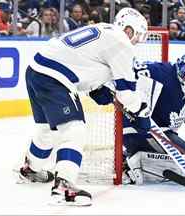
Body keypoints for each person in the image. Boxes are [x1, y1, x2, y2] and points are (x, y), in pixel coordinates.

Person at [17, 7, 148, 206]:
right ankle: (64, 187)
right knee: (75, 129)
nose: (136, 42)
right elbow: (127, 95)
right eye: (137, 36)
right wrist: (141, 108)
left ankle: (31, 169)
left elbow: (83, 63)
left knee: (48, 130)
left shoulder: (105, 31)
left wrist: (98, 89)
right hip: (55, 77)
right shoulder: (122, 43)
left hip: (36, 71)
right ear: (129, 30)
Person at [90, 51, 185, 185]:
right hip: (136, 127)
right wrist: (105, 87)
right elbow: (129, 72)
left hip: (162, 133)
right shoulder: (160, 72)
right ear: (181, 69)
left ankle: (137, 160)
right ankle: (128, 162)